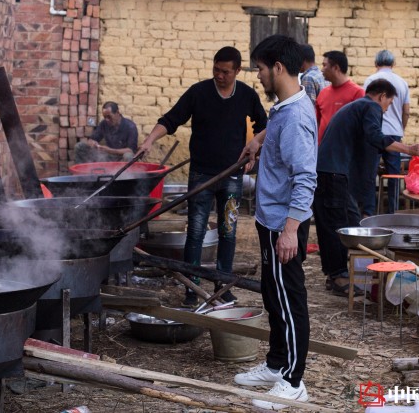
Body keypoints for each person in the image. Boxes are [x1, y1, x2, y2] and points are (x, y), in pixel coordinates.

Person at [138, 46, 268, 307]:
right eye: (216, 70)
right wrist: (150, 139)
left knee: (228, 232)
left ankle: (223, 285)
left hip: (232, 174)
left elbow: (263, 124)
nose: (219, 75)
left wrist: (254, 148)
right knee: (196, 232)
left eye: (225, 72)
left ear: (237, 71)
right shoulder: (199, 92)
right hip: (201, 175)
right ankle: (192, 286)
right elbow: (171, 118)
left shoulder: (246, 94)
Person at [234, 35, 317, 410]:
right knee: (273, 296)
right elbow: (279, 132)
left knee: (290, 300)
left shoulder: (297, 116)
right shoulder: (285, 106)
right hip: (271, 221)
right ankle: (276, 364)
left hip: (285, 224)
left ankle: (294, 381)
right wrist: (259, 142)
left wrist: (290, 231)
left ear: (279, 68)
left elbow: (305, 178)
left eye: (261, 69)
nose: (258, 76)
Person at [313, 79, 419, 297]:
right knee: (338, 224)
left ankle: (337, 273)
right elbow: (375, 136)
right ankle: (338, 276)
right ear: (382, 96)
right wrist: (408, 148)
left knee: (350, 220)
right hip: (332, 173)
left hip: (331, 171)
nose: (386, 108)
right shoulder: (370, 106)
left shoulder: (356, 106)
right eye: (389, 103)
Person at [363, 50, 411, 214]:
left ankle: (368, 212)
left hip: (374, 133)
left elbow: (365, 106)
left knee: (370, 174)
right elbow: (406, 111)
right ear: (393, 64)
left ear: (376, 63)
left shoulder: (370, 80)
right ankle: (393, 211)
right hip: (394, 134)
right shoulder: (402, 83)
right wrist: (401, 128)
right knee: (394, 176)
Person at [315, 50, 364, 144]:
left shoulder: (357, 93)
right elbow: (317, 122)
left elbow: (361, 126)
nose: (322, 69)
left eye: (325, 65)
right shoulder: (323, 93)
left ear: (336, 68)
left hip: (345, 153)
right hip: (323, 152)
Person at [74, 101, 138, 163]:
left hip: (121, 158)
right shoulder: (104, 124)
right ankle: (83, 172)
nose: (107, 120)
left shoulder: (130, 126)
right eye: (105, 117)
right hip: (107, 157)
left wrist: (110, 150)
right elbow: (93, 139)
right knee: (79, 146)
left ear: (117, 113)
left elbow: (131, 150)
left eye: (109, 117)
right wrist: (93, 143)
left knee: (128, 156)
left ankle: (124, 174)